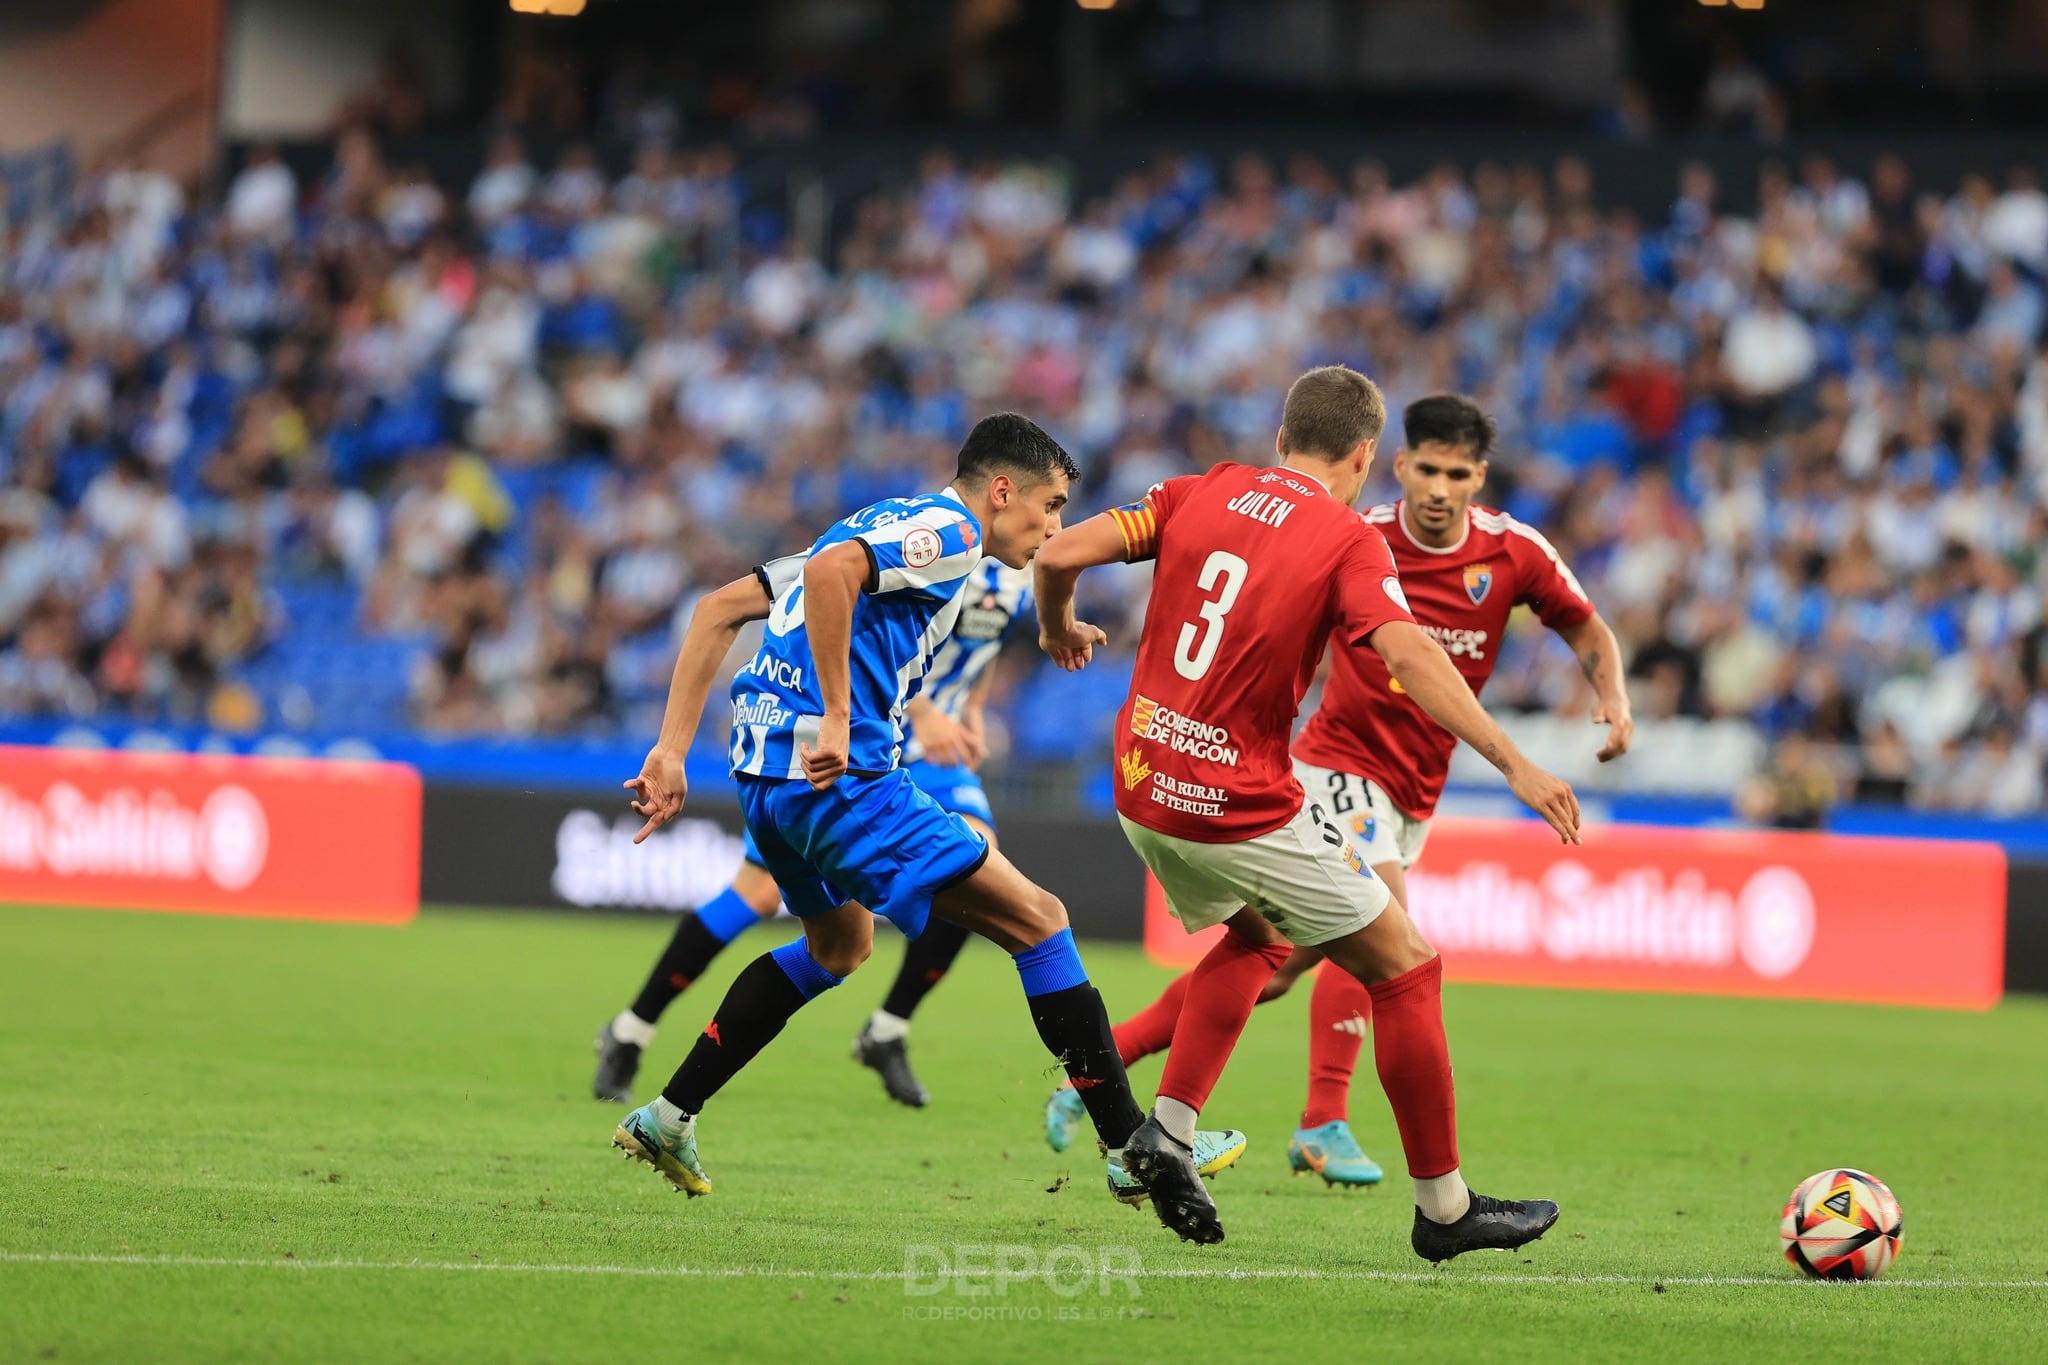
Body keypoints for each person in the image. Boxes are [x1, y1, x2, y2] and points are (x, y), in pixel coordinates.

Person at [609, 413, 1232, 1243]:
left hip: (766, 779)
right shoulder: (952, 531)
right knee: (1041, 922)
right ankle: (1128, 1146)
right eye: (1050, 505)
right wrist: (839, 713)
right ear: (1002, 490)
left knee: (840, 947)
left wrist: (671, 748)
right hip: (843, 782)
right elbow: (830, 573)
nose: (1054, 526)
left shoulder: (880, 521)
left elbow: (721, 607)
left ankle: (668, 1114)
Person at [1032, 366, 1580, 1263]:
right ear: (1366, 457)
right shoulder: (1348, 539)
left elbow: (1055, 556)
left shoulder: (1196, 490)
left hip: (1139, 781)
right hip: (1235, 801)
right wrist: (1514, 761)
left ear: (1281, 437)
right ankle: (1444, 1209)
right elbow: (1409, 653)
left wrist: (1057, 627)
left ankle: (1167, 1133)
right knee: (1407, 967)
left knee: (1260, 941)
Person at [591, 556, 1033, 1110]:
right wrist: (922, 710)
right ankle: (631, 1029)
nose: (1050, 528)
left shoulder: (1018, 571)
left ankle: (888, 1027)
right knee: (756, 895)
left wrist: (971, 708)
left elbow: (981, 646)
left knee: (979, 860)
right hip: (864, 739)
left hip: (936, 754)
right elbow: (849, 629)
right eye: (1048, 514)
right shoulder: (930, 548)